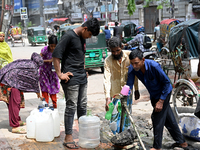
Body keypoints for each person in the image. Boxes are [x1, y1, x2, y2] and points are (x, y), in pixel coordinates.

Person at [52, 18, 100, 149]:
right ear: (85, 29)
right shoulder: (68, 36)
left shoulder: (82, 37)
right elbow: (56, 55)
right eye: (89, 34)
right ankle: (68, 137)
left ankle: (83, 133)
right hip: (70, 77)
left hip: (81, 75)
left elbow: (81, 54)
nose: (89, 37)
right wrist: (60, 74)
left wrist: (84, 69)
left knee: (82, 105)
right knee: (71, 105)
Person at [126, 49, 188, 150]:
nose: (134, 66)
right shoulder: (133, 69)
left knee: (157, 118)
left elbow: (167, 83)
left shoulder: (153, 66)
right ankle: (182, 142)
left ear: (143, 60)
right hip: (154, 95)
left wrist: (161, 101)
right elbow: (129, 84)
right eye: (132, 63)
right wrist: (124, 93)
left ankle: (157, 147)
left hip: (164, 94)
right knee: (169, 120)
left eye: (136, 63)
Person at [0, 52, 43, 134]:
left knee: (16, 102)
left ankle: (17, 120)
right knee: (15, 103)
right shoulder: (33, 67)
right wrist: (38, 93)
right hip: (10, 82)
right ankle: (15, 126)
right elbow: (34, 81)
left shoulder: (27, 62)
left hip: (8, 79)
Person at [104, 37, 140, 134]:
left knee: (127, 116)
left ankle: (125, 135)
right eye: (113, 51)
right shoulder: (108, 61)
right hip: (114, 93)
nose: (115, 53)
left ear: (122, 47)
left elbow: (135, 74)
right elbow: (106, 79)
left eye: (117, 50)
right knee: (114, 117)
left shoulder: (129, 56)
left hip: (128, 93)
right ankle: (116, 136)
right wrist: (107, 98)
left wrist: (136, 89)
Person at [39, 35, 60, 108]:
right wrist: (48, 61)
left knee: (53, 90)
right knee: (45, 90)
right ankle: (45, 106)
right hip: (44, 73)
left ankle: (55, 105)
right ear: (48, 44)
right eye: (51, 46)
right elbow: (38, 59)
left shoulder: (58, 50)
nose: (53, 48)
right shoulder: (44, 50)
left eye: (54, 46)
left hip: (53, 73)